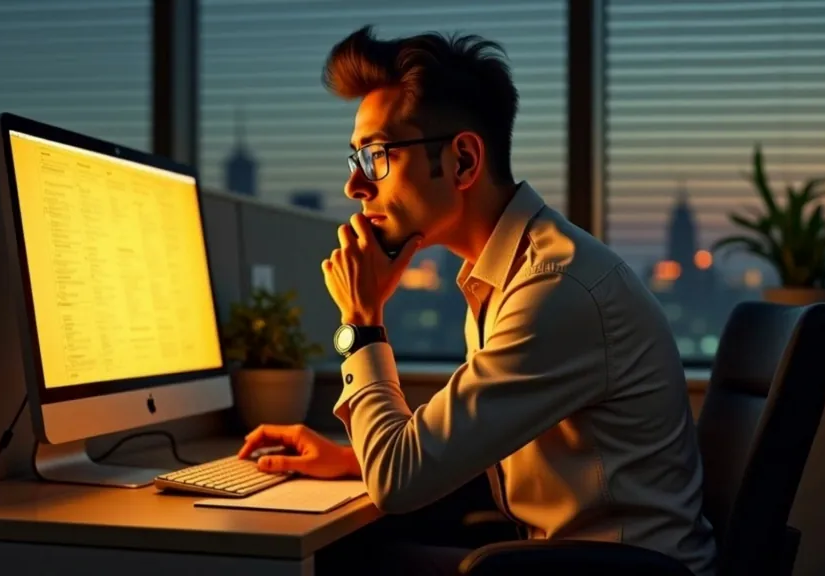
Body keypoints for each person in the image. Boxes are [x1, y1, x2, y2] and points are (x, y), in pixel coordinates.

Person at [237, 25, 717, 576]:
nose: (356, 187)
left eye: (377, 155)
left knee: (341, 561)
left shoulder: (554, 289)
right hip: (565, 558)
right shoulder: (501, 274)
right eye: (355, 159)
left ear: (463, 161)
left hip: (617, 571)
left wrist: (361, 320)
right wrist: (353, 460)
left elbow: (398, 482)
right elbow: (461, 448)